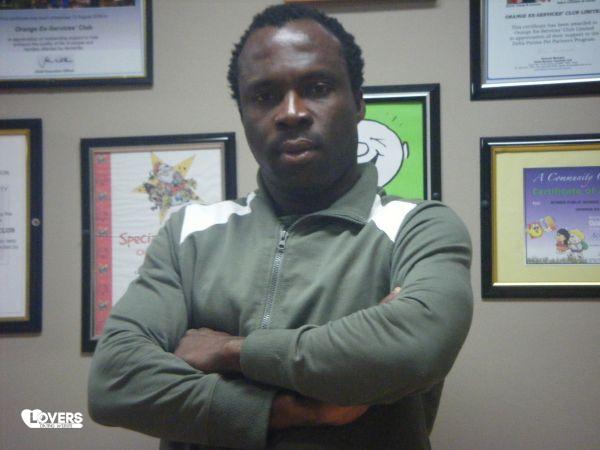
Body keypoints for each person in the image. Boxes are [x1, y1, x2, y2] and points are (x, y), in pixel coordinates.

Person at [88, 4, 473, 449]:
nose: (291, 112)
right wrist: (292, 411)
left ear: (358, 102)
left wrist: (230, 351)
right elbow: (114, 380)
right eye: (264, 96)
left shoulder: (417, 227)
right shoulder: (189, 233)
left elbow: (413, 348)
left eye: (317, 88)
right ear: (244, 115)